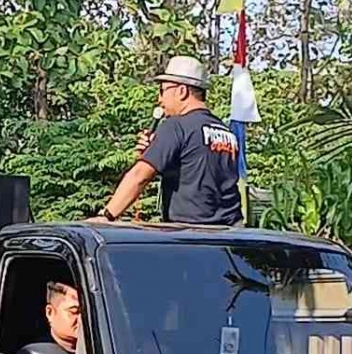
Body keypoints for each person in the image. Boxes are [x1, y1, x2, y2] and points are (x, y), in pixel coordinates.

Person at [95, 56, 242, 227]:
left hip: (191, 236)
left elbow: (140, 176)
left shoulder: (176, 126)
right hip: (229, 234)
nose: (159, 99)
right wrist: (154, 151)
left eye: (162, 90)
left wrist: (106, 216)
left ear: (181, 91)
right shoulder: (226, 132)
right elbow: (198, 170)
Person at [45, 281, 80, 354]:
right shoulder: (41, 353)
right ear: (50, 313)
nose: (81, 319)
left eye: (86, 313)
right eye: (74, 311)